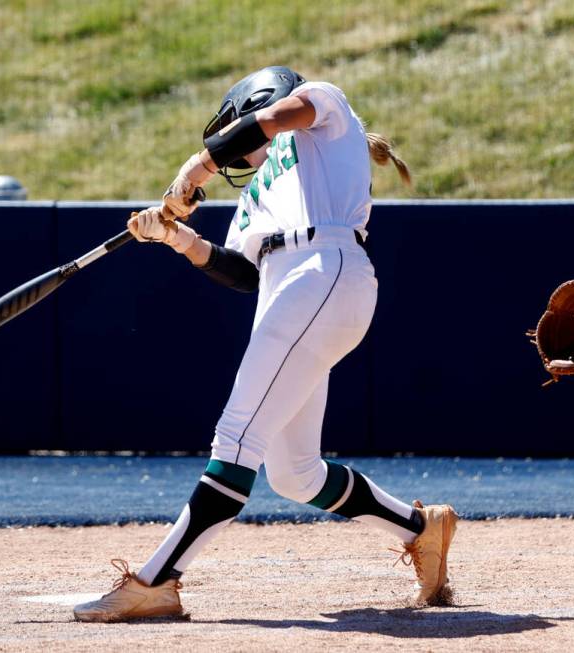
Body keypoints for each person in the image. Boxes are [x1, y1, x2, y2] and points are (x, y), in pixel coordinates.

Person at [73, 66, 457, 623]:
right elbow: (241, 273)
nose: (236, 156)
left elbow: (269, 122)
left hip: (322, 273)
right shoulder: (258, 195)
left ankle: (157, 580)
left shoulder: (319, 105)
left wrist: (195, 168)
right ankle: (422, 529)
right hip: (289, 293)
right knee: (294, 474)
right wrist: (176, 237)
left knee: (236, 439)